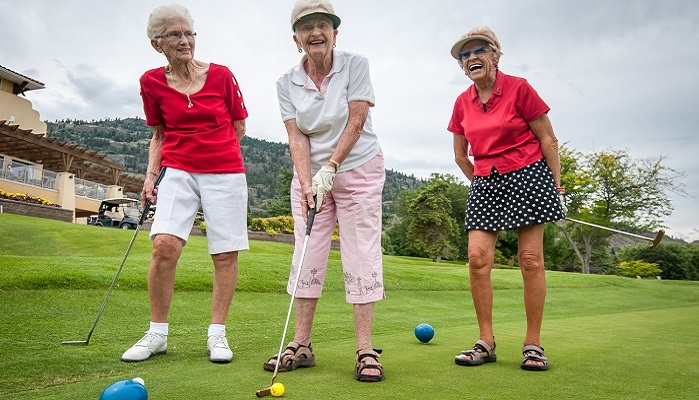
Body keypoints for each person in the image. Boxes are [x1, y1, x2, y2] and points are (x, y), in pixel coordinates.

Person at [262, 0, 386, 382]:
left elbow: (357, 117)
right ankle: (301, 345)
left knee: (361, 253)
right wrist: (305, 181)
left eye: (323, 24)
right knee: (306, 253)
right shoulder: (286, 83)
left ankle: (365, 349)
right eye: (307, 26)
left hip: (358, 167)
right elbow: (296, 135)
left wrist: (331, 167)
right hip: (311, 175)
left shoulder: (355, 64)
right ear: (296, 38)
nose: (316, 32)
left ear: (335, 32)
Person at [121, 3, 249, 364]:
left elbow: (239, 128)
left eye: (189, 33)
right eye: (175, 34)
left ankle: (217, 335)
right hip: (177, 168)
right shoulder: (151, 82)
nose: (185, 40)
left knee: (224, 253)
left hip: (224, 169)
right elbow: (158, 134)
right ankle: (157, 334)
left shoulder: (222, 75)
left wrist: (212, 158)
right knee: (164, 246)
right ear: (156, 43)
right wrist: (150, 177)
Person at [447, 27, 565, 371]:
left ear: (496, 56)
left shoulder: (519, 88)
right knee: (477, 259)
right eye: (464, 55)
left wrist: (556, 188)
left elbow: (548, 139)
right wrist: (485, 182)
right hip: (486, 182)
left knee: (530, 259)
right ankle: (486, 342)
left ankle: (533, 344)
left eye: (478, 51)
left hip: (529, 176)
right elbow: (460, 156)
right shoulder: (461, 103)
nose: (471, 58)